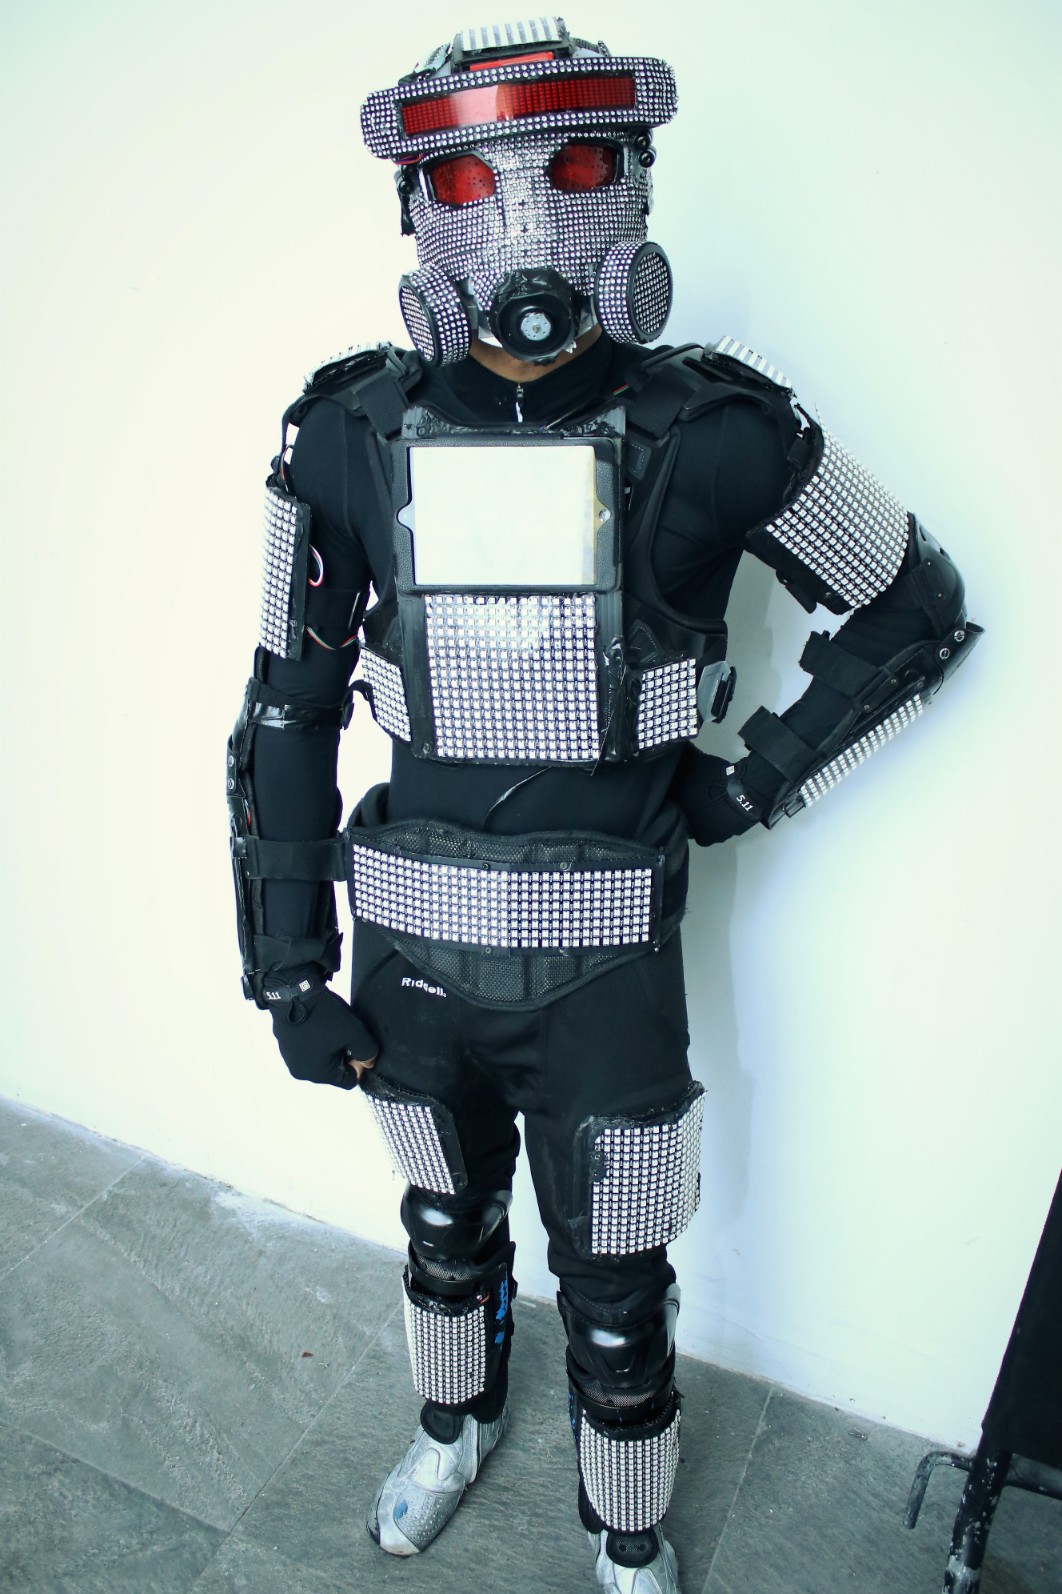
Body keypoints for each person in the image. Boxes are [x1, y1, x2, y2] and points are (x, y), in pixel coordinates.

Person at [226, 18, 980, 1593]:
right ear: (412, 209)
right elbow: (286, 704)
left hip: (607, 976)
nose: (522, 213)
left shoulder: (717, 434)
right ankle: (451, 1427)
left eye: (571, 165)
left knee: (620, 1290)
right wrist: (287, 969)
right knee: (443, 1230)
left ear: (633, 183)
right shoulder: (346, 436)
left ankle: (624, 1536)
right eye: (464, 179)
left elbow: (913, 605)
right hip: (412, 955)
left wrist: (748, 780)